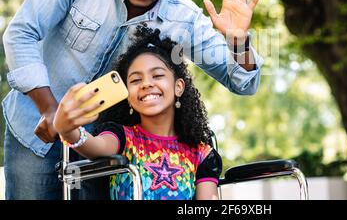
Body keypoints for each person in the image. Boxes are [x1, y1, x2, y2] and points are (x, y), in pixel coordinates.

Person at [2, 0, 263, 199]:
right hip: (34, 126)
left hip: (103, 147)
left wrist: (237, 40)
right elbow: (21, 32)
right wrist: (50, 111)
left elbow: (243, 82)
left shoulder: (183, 19)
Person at [53, 27, 222, 200]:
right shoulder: (122, 137)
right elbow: (95, 147)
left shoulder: (201, 153)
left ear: (178, 87)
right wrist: (67, 131)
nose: (146, 84)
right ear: (127, 93)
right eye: (135, 80)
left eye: (157, 76)